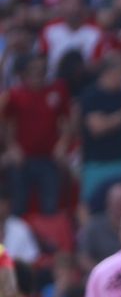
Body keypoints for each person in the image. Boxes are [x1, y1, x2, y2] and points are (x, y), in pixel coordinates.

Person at [2, 52, 71, 214]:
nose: (37, 75)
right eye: (33, 71)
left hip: (48, 158)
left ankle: (49, 238)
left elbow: (67, 120)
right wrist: (11, 147)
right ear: (24, 73)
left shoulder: (57, 90)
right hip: (23, 159)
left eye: (41, 70)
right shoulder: (14, 94)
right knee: (18, 207)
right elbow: (4, 122)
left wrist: (63, 144)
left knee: (50, 207)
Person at [75, 53, 121, 204]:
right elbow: (97, 128)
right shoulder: (90, 95)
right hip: (97, 164)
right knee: (92, 205)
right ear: (111, 72)